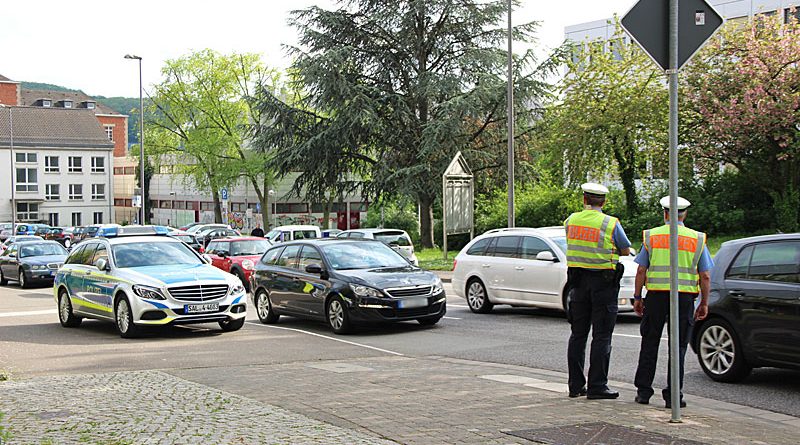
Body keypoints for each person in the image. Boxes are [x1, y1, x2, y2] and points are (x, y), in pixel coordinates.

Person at [632, 196, 712, 409]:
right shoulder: (697, 239)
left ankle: (643, 392)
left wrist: (638, 297)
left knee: (649, 343)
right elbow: (704, 275)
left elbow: (641, 269)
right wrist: (704, 303)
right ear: (684, 214)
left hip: (656, 296)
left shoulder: (652, 236)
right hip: (684, 298)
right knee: (678, 347)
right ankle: (673, 396)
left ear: (665, 213)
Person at [565, 183, 631, 400]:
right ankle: (597, 386)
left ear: (584, 198)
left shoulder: (571, 220)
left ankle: (575, 386)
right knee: (602, 336)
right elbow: (624, 249)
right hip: (603, 283)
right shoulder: (610, 223)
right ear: (603, 202)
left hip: (577, 283)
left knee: (578, 335)